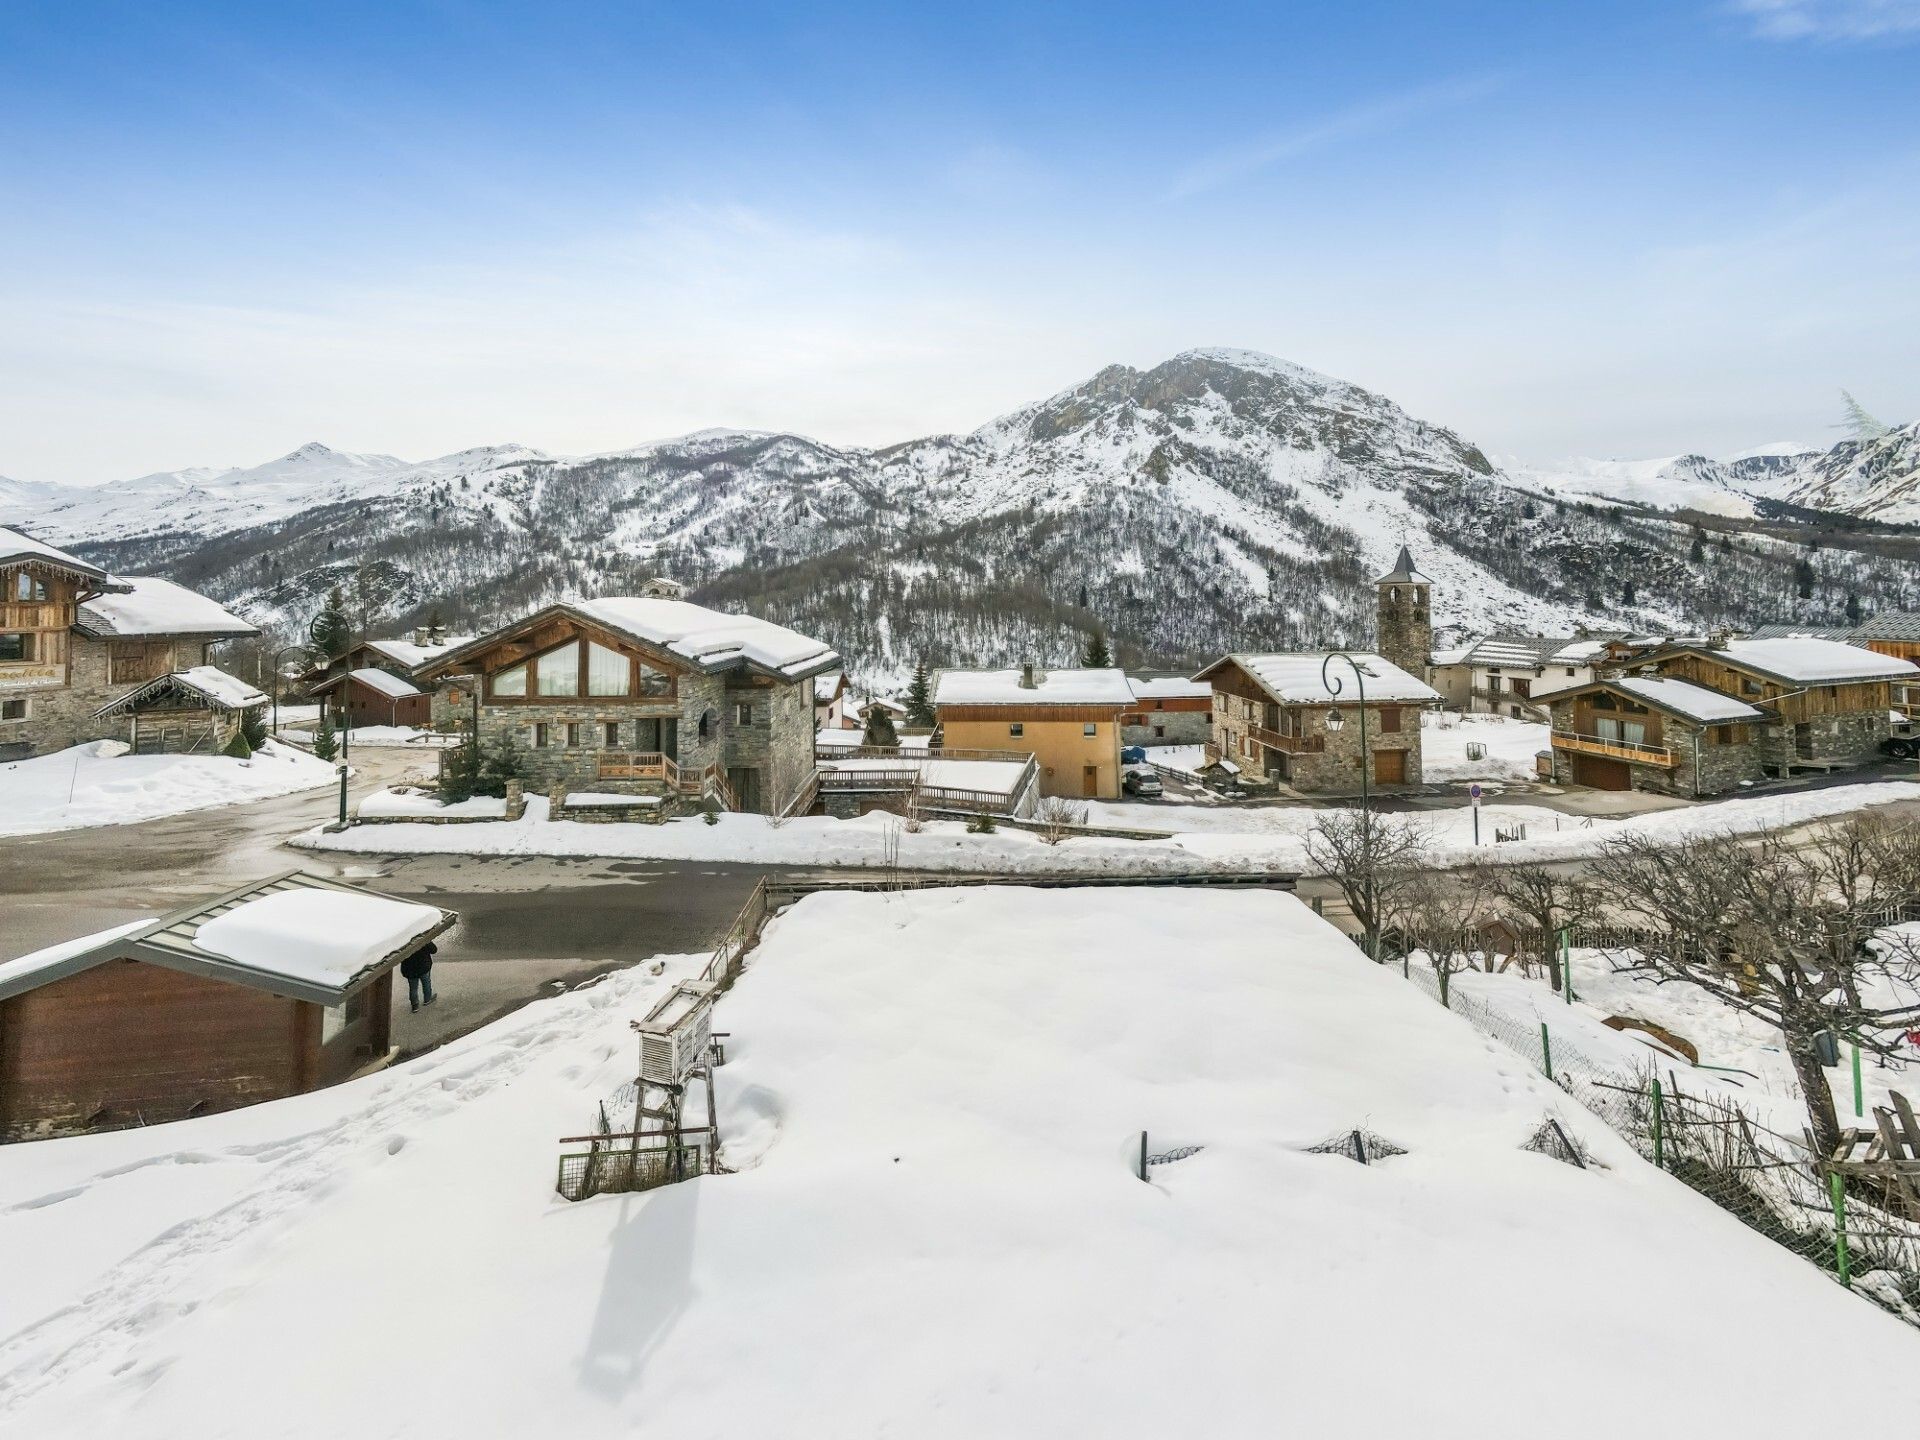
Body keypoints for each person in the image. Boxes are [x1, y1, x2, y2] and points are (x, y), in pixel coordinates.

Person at [401, 942, 437, 1012]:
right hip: (423, 966)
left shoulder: (404, 940)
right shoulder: (423, 939)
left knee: (413, 988)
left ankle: (415, 1006)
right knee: (426, 983)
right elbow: (434, 950)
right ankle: (427, 999)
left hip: (409, 969)